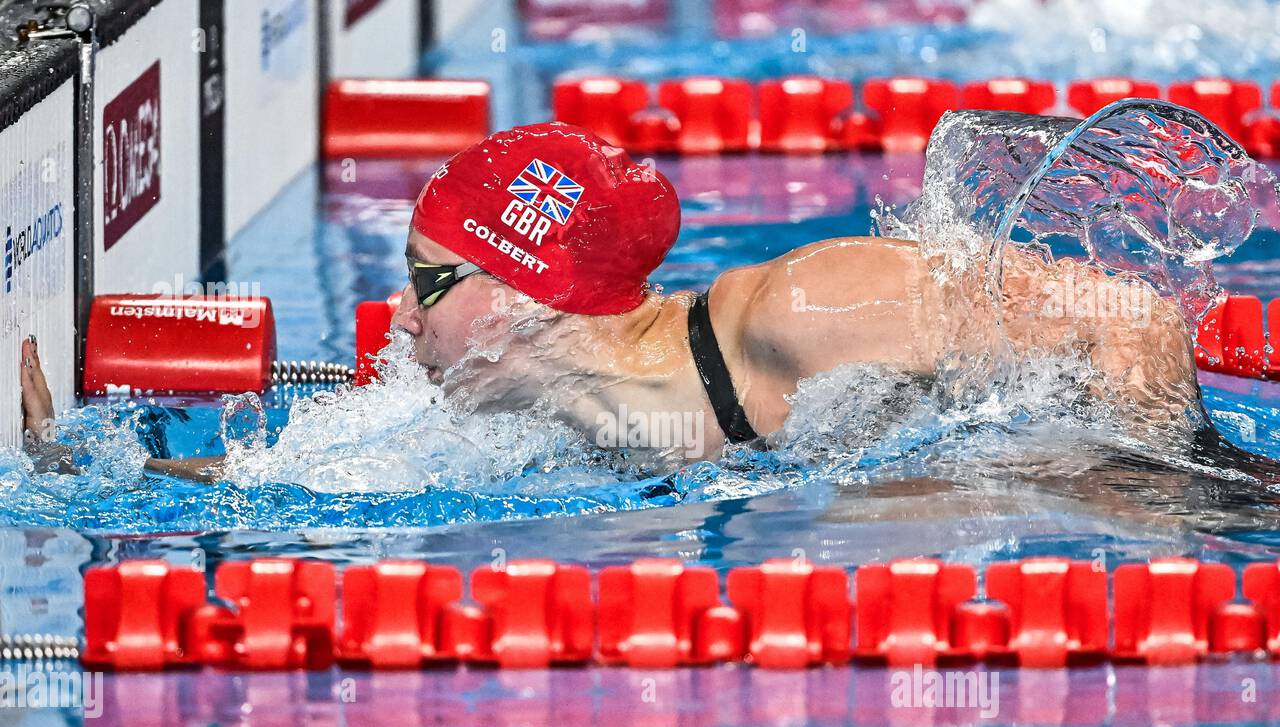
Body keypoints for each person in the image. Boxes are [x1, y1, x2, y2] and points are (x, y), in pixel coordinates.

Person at [19, 121, 1199, 481]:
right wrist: (81, 467)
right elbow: (308, 481)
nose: (399, 316)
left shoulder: (798, 312)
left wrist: (1128, 485)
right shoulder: (539, 409)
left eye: (428, 281)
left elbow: (1132, 323)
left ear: (525, 295)